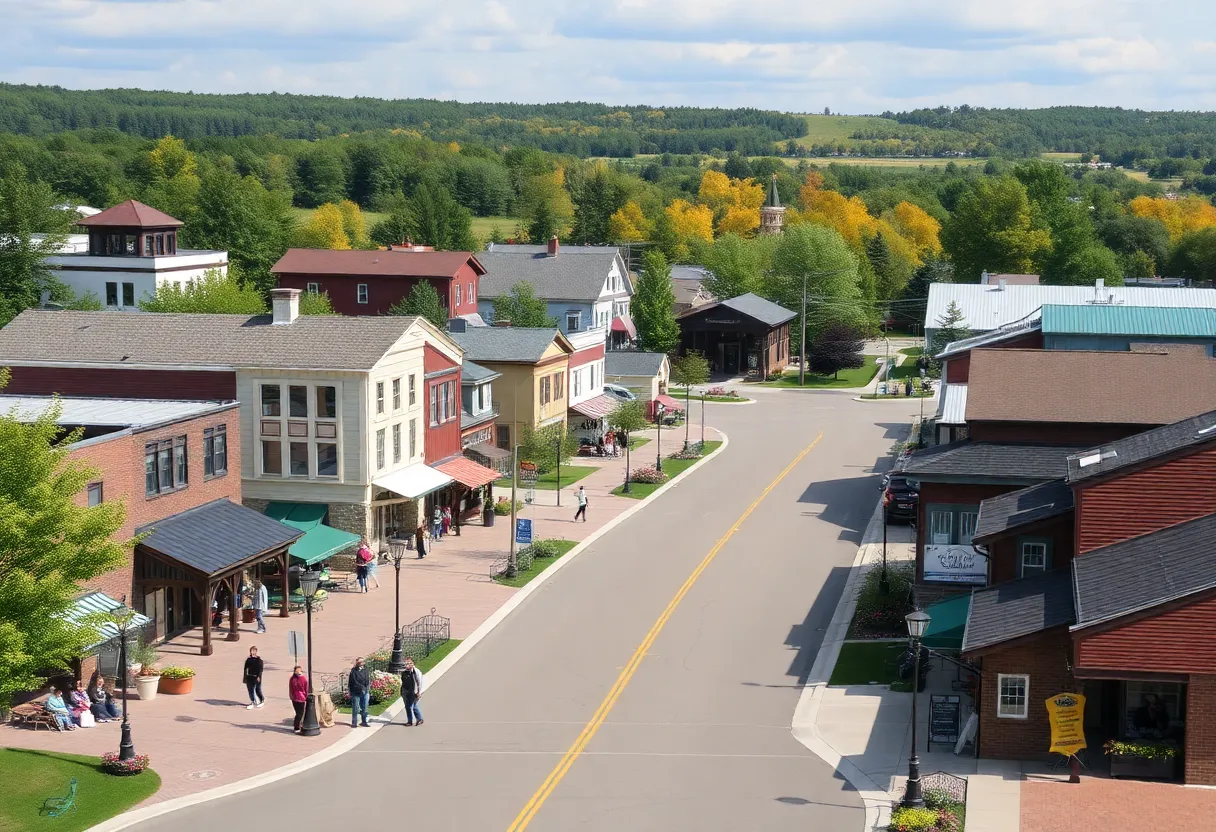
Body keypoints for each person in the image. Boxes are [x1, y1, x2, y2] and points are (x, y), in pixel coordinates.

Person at [401, 656, 425, 727]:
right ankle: (419, 719)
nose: (408, 664)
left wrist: (418, 692)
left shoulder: (416, 672)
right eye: (406, 663)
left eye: (410, 663)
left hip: (414, 692)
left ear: (413, 663)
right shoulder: (405, 671)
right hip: (405, 691)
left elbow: (419, 683)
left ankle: (410, 721)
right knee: (413, 706)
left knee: (409, 706)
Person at [348, 656, 371, 728]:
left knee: (364, 707)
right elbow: (353, 681)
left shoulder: (365, 670)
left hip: (365, 691)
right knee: (356, 707)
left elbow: (367, 679)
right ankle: (354, 722)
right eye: (359, 662)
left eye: (362, 662)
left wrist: (366, 688)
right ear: (357, 663)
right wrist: (361, 687)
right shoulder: (353, 671)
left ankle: (364, 722)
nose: (361, 663)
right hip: (356, 691)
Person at [289, 666, 309, 732]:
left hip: (298, 698)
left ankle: (297, 725)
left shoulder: (296, 679)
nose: (298, 672)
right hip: (298, 698)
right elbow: (305, 688)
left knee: (298, 713)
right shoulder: (295, 679)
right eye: (297, 671)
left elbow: (306, 688)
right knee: (299, 713)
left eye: (299, 671)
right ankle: (297, 726)